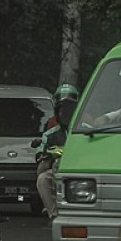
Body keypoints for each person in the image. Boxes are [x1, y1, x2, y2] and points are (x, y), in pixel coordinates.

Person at [35, 84, 80, 221]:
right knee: (42, 178)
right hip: (57, 169)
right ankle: (53, 214)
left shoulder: (85, 130)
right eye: (62, 110)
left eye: (69, 109)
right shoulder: (50, 133)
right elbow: (40, 150)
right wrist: (43, 155)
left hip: (79, 169)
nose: (65, 113)